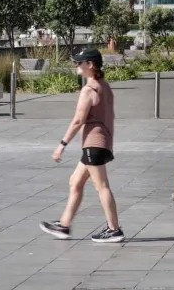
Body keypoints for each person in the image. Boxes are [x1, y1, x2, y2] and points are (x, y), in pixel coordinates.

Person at [40, 48, 124, 242]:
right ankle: (64, 225)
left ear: (90, 65)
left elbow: (78, 120)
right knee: (75, 181)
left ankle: (114, 229)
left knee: (102, 187)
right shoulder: (104, 86)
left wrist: (62, 144)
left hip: (94, 143)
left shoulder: (89, 90)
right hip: (100, 142)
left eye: (80, 62)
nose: (76, 65)